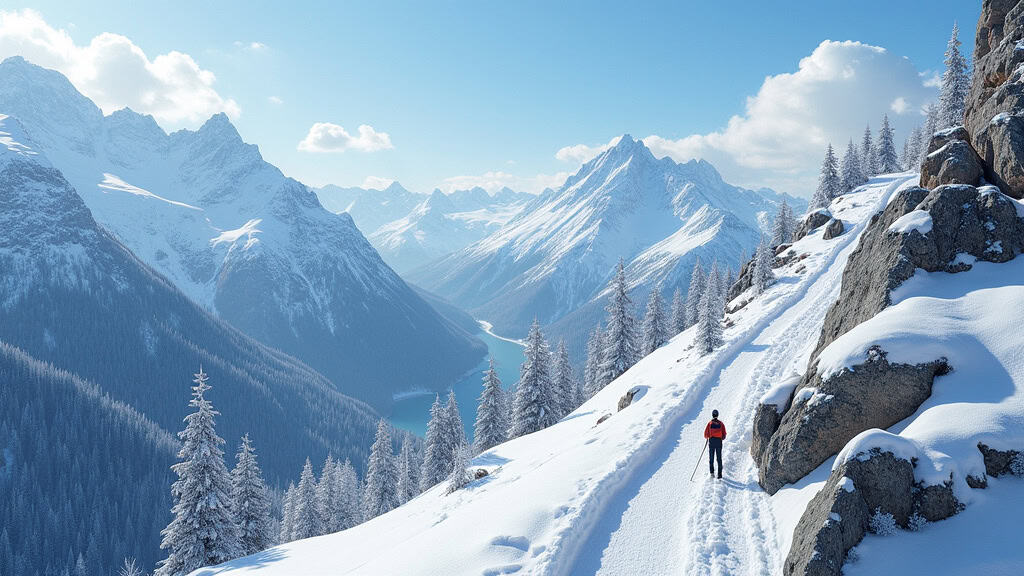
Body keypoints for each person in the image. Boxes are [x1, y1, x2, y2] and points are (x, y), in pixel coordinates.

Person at [703, 409, 727, 478]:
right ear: (718, 415)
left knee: (711, 458)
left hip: (712, 442)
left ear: (712, 415)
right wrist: (720, 438)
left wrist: (709, 437)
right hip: (719, 442)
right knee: (719, 458)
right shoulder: (721, 423)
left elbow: (705, 435)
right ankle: (719, 475)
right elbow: (724, 435)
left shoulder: (710, 423)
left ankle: (712, 473)